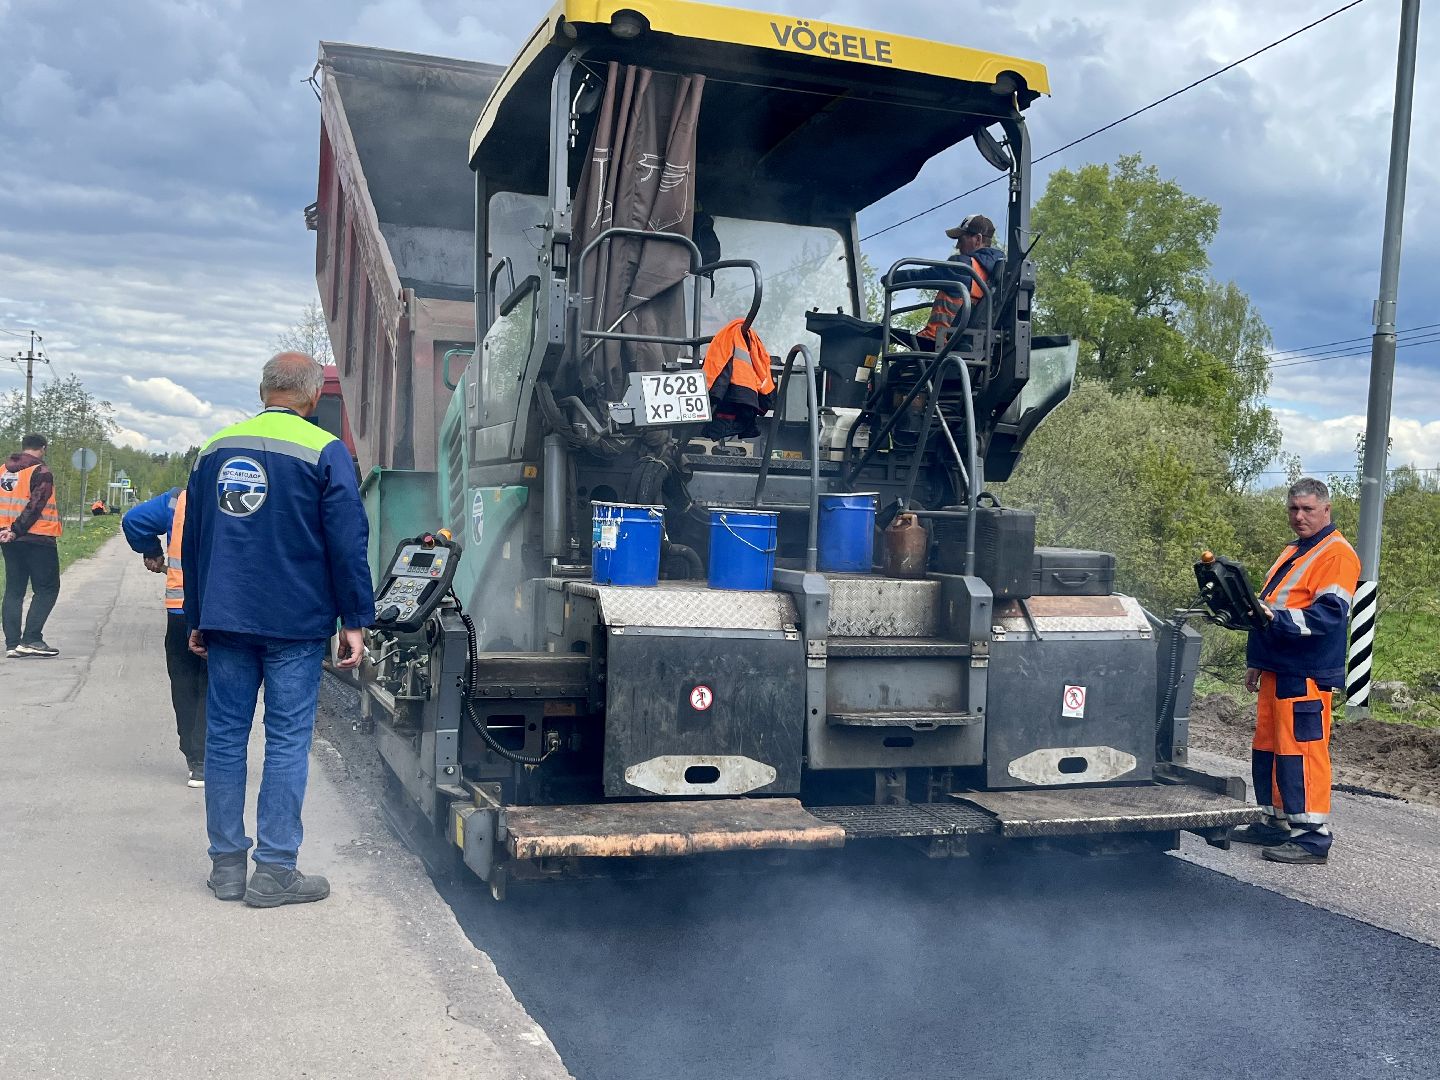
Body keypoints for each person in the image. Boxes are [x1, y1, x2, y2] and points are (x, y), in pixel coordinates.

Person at [183, 352, 373, 907]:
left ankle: (226, 868)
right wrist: (355, 620)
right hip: (296, 621)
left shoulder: (215, 448)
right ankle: (275, 870)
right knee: (287, 740)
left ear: (263, 390)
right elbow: (347, 541)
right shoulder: (324, 451)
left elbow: (194, 539)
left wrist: (197, 614)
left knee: (225, 738)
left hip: (227, 618)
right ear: (314, 397)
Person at [1232, 478, 1360, 865]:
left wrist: (1276, 622)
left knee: (1301, 752)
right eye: (1293, 509)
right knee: (1271, 748)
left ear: (1326, 510)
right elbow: (1268, 606)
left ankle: (1312, 838)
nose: (1299, 516)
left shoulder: (1336, 554)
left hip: (1305, 671)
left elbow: (1329, 615)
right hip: (1278, 666)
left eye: (1307, 509)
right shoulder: (1295, 549)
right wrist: (1258, 659)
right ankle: (1276, 821)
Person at [123, 487, 207, 787]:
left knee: (184, 680)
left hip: (181, 608)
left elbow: (133, 521)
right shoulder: (246, 497)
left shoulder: (178, 499)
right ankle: (209, 756)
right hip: (225, 609)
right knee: (216, 682)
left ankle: (195, 759)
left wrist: (151, 550)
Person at [889, 213, 1005, 350]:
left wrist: (891, 277)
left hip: (937, 342)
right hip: (966, 344)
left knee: (884, 338)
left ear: (978, 239)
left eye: (961, 240)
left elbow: (922, 276)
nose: (957, 246)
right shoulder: (997, 273)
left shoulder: (961, 267)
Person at [0, 433, 62, 658]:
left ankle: (12, 644)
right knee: (47, 588)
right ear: (43, 448)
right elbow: (36, 505)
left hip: (8, 539)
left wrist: (7, 531)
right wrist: (17, 530)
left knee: (14, 590)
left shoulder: (3, 471)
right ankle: (32, 639)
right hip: (38, 538)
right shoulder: (41, 471)